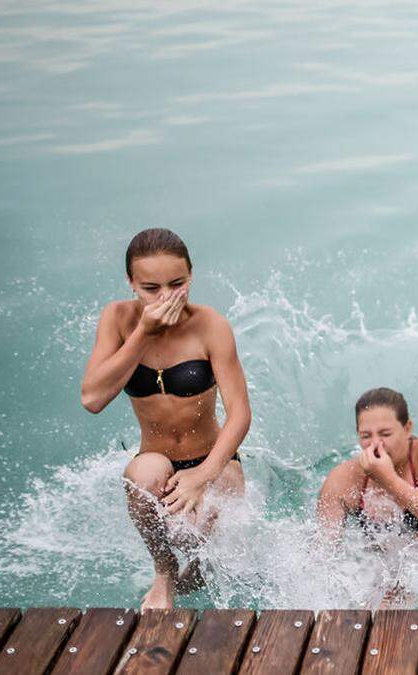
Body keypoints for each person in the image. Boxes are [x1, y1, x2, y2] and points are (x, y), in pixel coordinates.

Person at [80, 228, 250, 610]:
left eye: (177, 284)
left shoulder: (211, 325)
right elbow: (92, 398)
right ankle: (164, 569)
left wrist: (201, 475)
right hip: (156, 459)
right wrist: (144, 331)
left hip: (212, 459)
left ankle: (203, 561)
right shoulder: (118, 319)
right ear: (132, 284)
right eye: (151, 288)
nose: (166, 297)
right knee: (143, 477)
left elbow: (239, 414)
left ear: (191, 275)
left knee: (200, 535)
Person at [316, 388, 418, 538]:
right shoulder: (342, 478)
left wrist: (389, 480)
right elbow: (323, 552)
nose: (375, 444)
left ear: (407, 428)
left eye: (385, 434)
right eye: (366, 436)